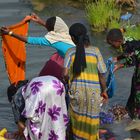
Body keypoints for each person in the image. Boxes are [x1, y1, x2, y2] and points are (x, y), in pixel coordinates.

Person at [63, 23, 108, 140]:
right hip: (94, 94)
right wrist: (104, 90)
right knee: (92, 121)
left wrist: (67, 80)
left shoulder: (70, 52)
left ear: (72, 38)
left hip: (77, 93)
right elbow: (102, 74)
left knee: (76, 120)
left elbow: (64, 74)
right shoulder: (95, 51)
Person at [0, 14, 75, 82]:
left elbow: (29, 40)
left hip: (73, 65)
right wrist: (39, 21)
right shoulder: (67, 33)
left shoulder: (51, 40)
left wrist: (10, 33)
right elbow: (54, 30)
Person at [7, 76, 68, 140]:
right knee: (55, 118)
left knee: (34, 125)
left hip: (39, 90)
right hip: (56, 84)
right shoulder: (27, 87)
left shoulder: (15, 97)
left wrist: (21, 133)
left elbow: (21, 125)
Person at [106, 28, 140, 120]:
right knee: (134, 88)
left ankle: (136, 118)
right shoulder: (128, 40)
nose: (111, 46)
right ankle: (130, 111)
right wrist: (117, 58)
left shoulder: (126, 46)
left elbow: (131, 61)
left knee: (137, 92)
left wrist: (118, 66)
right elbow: (131, 54)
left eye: (112, 43)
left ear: (119, 41)